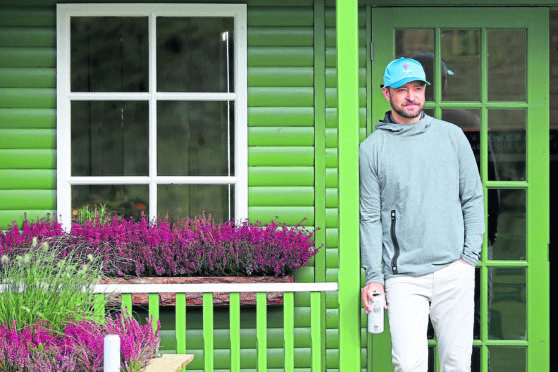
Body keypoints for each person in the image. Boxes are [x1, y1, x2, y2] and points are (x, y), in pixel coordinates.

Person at [359, 57, 485, 372]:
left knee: (457, 363)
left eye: (417, 88)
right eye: (402, 89)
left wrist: (469, 256)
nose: (411, 96)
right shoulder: (372, 149)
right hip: (403, 278)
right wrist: (374, 277)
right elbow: (370, 218)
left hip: (453, 270)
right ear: (386, 93)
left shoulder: (452, 136)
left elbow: (473, 197)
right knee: (407, 365)